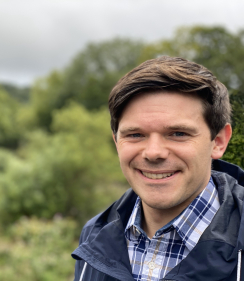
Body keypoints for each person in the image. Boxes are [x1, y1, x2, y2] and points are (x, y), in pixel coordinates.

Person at [72, 56, 244, 281]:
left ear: (219, 141)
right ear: (117, 142)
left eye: (178, 134)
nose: (153, 152)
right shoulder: (94, 235)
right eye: (135, 135)